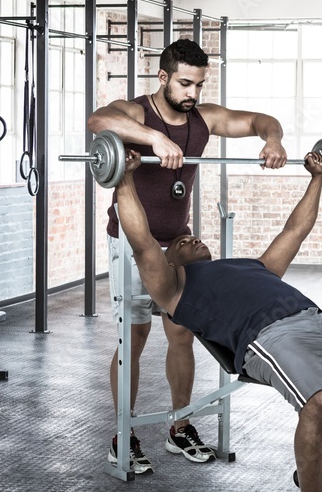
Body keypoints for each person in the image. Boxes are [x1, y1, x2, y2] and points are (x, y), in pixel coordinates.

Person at [114, 148, 322, 492]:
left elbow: (295, 230)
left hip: (320, 319)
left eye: (192, 236)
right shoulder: (174, 288)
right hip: (268, 337)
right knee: (319, 400)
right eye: (181, 243)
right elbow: (143, 241)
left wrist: (317, 179)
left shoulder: (253, 266)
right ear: (169, 263)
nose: (192, 238)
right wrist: (124, 178)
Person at [88, 38, 287, 474]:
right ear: (163, 78)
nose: (192, 94)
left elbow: (259, 120)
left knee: (182, 333)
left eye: (198, 84)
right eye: (184, 84)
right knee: (133, 338)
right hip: (130, 242)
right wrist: (153, 138)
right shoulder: (139, 111)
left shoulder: (202, 119)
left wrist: (272, 140)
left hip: (177, 241)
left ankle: (180, 427)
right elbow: (99, 119)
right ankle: (124, 434)